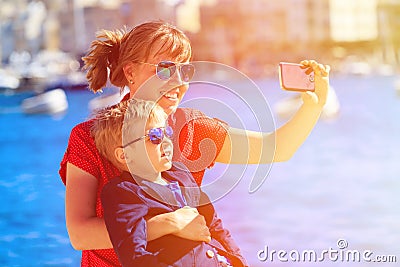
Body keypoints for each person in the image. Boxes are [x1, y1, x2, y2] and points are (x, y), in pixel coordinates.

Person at [60, 20, 330, 266]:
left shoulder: (194, 130)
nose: (178, 82)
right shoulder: (88, 137)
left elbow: (277, 149)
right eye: (165, 70)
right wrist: (167, 224)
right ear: (130, 72)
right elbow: (80, 234)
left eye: (185, 70)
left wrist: (313, 106)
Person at [91, 98, 247, 266]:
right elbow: (133, 254)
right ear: (125, 155)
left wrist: (240, 262)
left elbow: (215, 225)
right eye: (155, 136)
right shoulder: (122, 192)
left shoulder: (181, 175)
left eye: (167, 132)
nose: (166, 141)